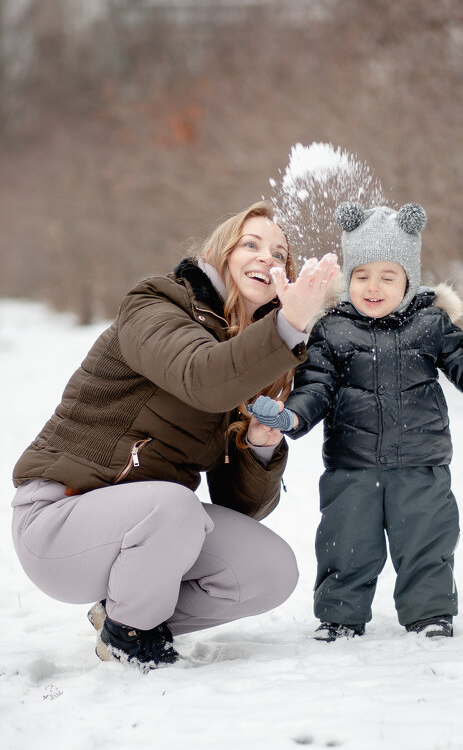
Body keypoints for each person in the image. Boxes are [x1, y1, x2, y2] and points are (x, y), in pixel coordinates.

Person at [11, 200, 339, 669]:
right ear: (220, 253)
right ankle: (132, 636)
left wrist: (260, 450)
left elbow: (238, 509)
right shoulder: (156, 304)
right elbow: (201, 377)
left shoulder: (249, 358)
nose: (268, 257)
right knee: (173, 505)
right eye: (251, 244)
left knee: (269, 570)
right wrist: (287, 328)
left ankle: (122, 617)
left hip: (157, 529)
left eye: (280, 253)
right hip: (59, 520)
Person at [248, 201, 463, 642]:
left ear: (408, 279)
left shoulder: (431, 323)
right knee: (346, 545)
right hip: (352, 466)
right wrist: (290, 415)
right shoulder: (332, 329)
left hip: (421, 464)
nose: (373, 287)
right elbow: (316, 388)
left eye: (388, 276)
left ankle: (429, 615)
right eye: (362, 275)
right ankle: (340, 618)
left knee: (426, 543)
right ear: (348, 279)